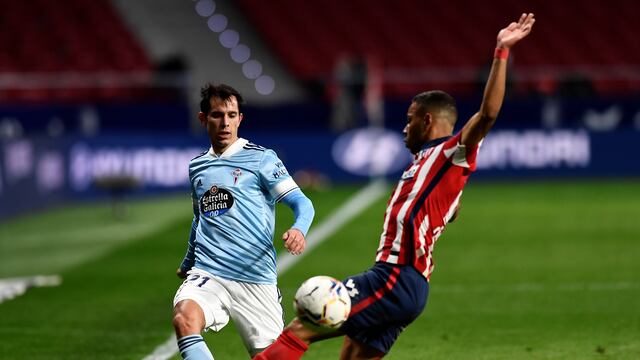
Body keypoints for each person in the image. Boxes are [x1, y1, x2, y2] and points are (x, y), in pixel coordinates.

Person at [253, 13, 535, 360]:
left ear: (427, 120)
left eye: (409, 118)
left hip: (394, 278)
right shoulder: (425, 164)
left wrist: (501, 52)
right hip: (407, 285)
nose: (404, 128)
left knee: (303, 326)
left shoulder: (451, 153)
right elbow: (448, 209)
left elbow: (488, 115)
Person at [172, 83, 315, 359]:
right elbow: (199, 217)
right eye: (217, 115)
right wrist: (188, 260)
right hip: (209, 272)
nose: (225, 122)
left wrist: (299, 229)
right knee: (184, 319)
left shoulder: (261, 159)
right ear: (203, 119)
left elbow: (302, 203)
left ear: (240, 118)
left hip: (255, 278)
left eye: (231, 114)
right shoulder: (197, 166)